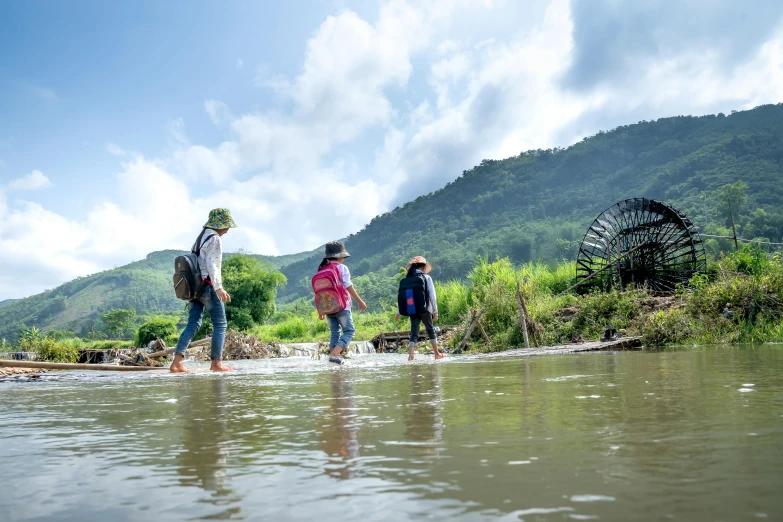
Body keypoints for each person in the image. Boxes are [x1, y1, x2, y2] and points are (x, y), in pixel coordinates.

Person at [170, 208, 237, 373]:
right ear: (219, 224)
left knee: (193, 323)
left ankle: (177, 362)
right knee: (220, 324)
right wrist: (218, 288)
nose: (227, 230)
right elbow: (212, 264)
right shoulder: (215, 238)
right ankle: (216, 364)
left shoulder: (201, 237)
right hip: (207, 286)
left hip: (194, 287)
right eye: (226, 225)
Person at [318, 241, 367, 364]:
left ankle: (332, 357)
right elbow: (348, 285)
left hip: (328, 307)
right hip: (342, 305)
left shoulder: (322, 269)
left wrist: (321, 310)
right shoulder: (342, 268)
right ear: (340, 256)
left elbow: (319, 292)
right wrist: (359, 301)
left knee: (335, 332)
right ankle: (335, 354)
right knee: (349, 331)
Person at [396, 256, 445, 361]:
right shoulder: (426, 278)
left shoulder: (407, 279)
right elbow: (432, 295)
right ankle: (437, 354)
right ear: (424, 267)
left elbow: (402, 297)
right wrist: (435, 311)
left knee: (414, 332)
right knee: (430, 330)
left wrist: (398, 312)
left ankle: (411, 356)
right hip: (425, 309)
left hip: (412, 309)